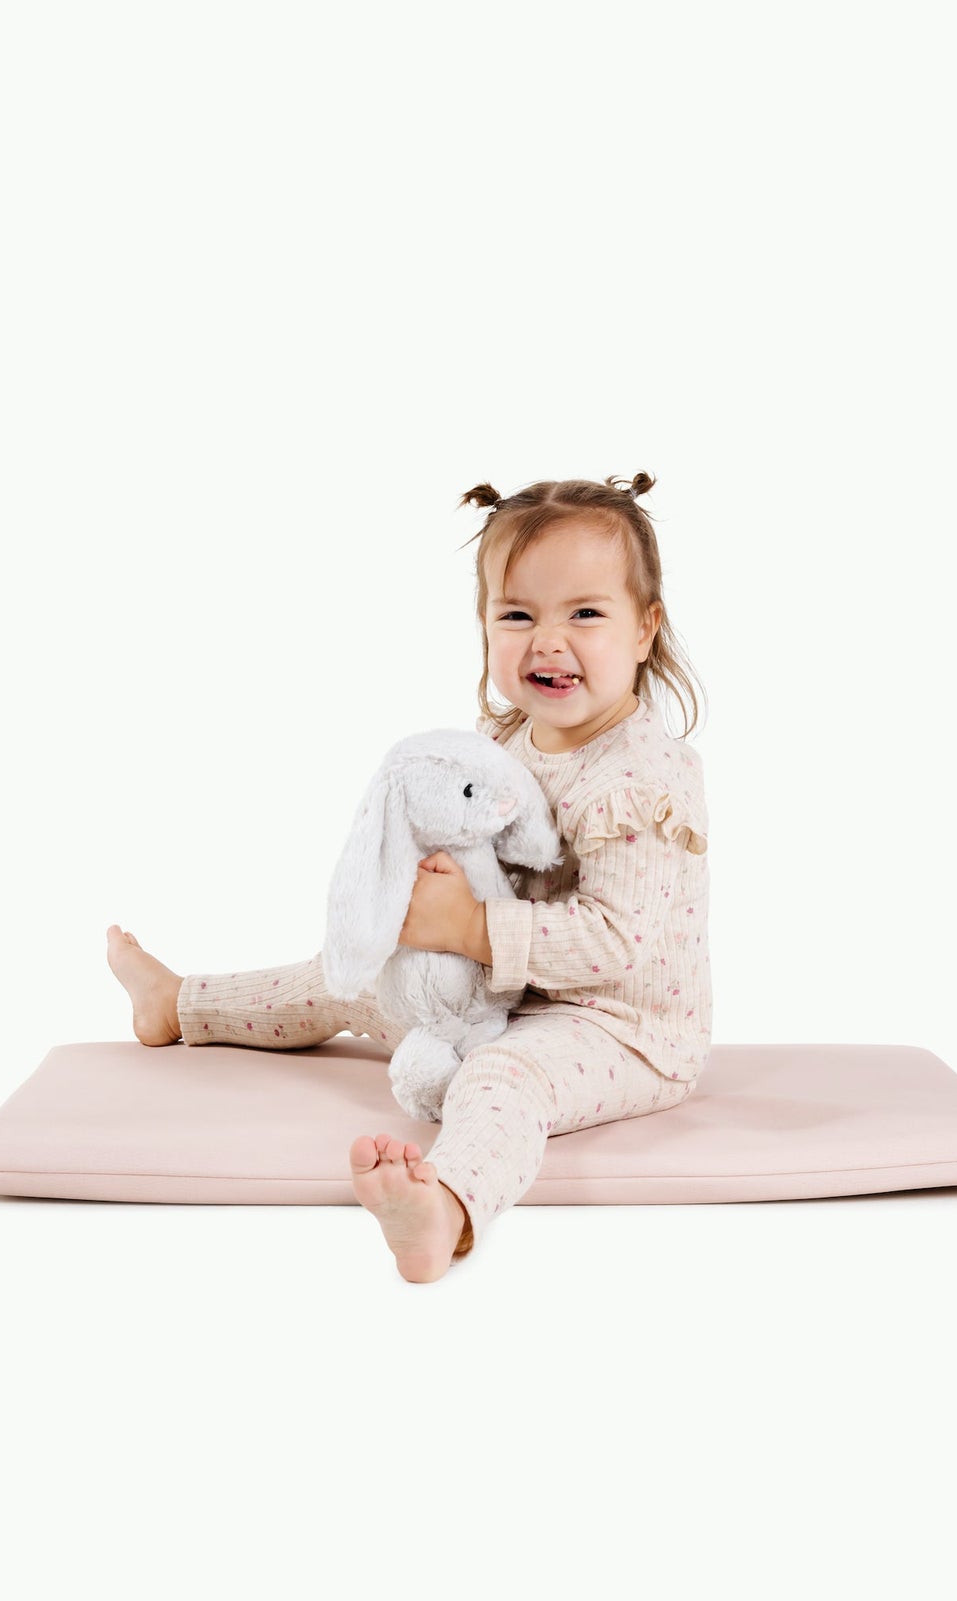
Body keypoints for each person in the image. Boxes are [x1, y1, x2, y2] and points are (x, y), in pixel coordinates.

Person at [106, 473, 711, 1282]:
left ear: (645, 628)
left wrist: (465, 926)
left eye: (586, 614)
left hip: (620, 1027)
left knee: (506, 1076)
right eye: (518, 614)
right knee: (351, 977)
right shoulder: (511, 742)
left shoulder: (643, 780)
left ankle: (446, 1208)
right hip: (504, 994)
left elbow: (616, 941)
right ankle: (179, 1003)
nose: (548, 641)